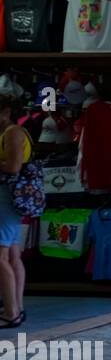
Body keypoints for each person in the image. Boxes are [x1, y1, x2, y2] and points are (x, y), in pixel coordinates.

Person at [0, 95, 31, 329]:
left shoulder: (12, 133)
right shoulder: (12, 132)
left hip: (5, 198)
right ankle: (16, 307)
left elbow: (13, 166)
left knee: (2, 257)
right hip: (10, 199)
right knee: (12, 255)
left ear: (7, 111)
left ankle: (11, 313)